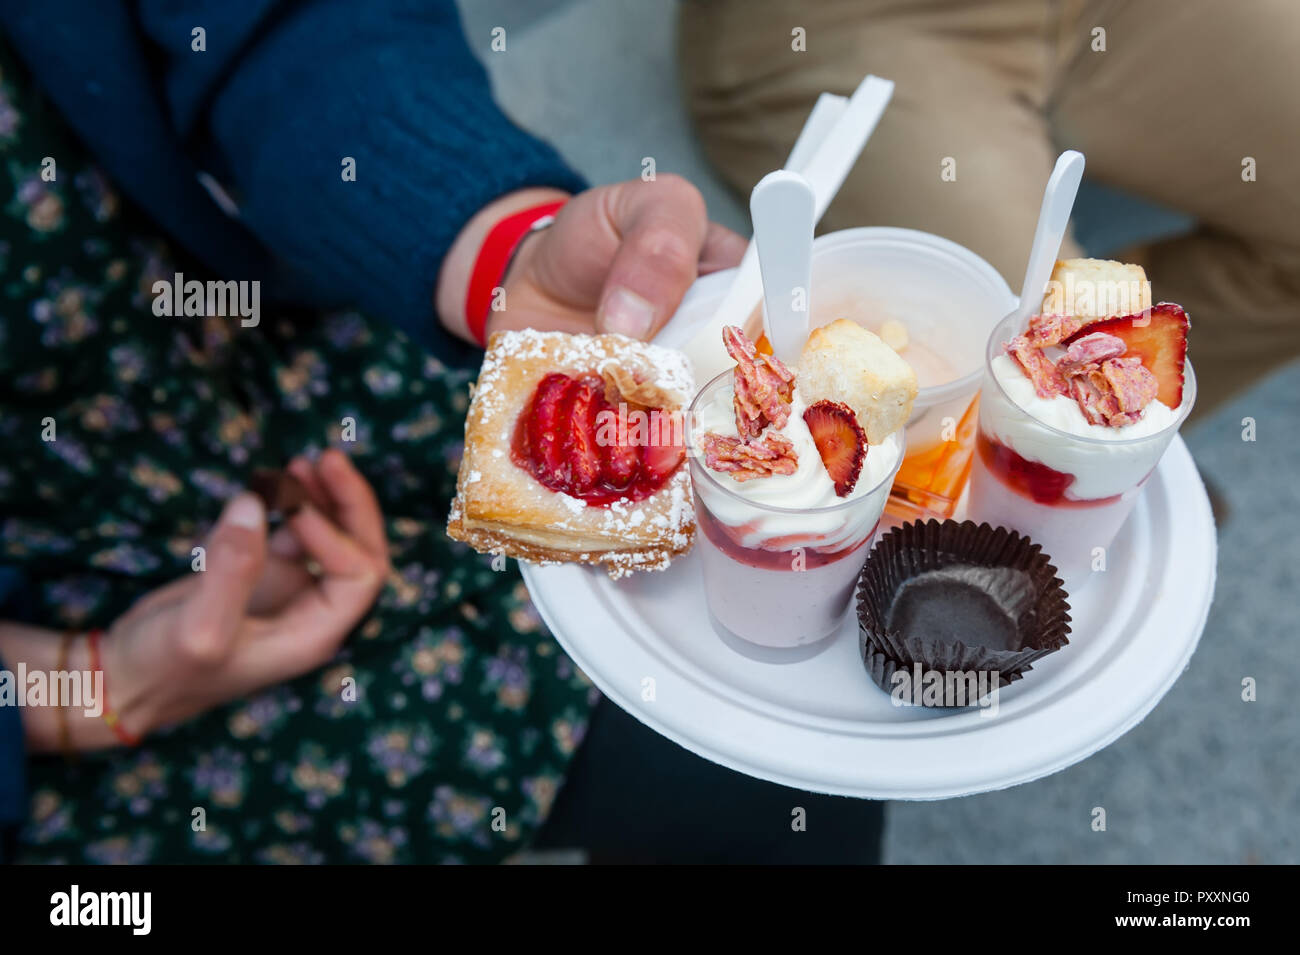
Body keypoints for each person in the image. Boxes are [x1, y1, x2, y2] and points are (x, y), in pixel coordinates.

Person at [0, 2, 885, 863]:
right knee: (740, 776)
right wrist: (82, 689)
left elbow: (279, 25)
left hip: (287, 322)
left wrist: (501, 252)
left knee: (796, 740)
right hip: (68, 628)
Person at [678, 0, 1300, 415]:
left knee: (1084, 399)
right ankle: (1040, 478)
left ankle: (1121, 451)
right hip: (868, 17)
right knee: (1027, 371)